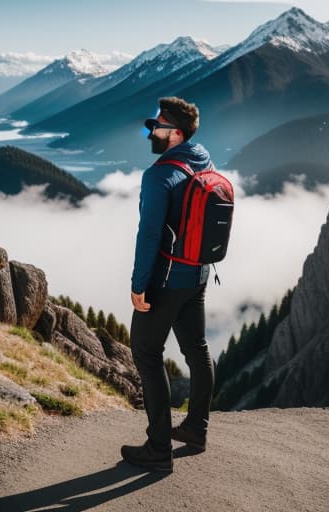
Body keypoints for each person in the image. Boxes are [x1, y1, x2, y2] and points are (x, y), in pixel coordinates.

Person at [121, 97, 215, 473]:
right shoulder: (202, 157)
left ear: (175, 133)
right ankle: (196, 429)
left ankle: (159, 448)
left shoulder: (159, 176)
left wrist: (138, 284)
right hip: (199, 273)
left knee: (146, 352)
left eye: (155, 126)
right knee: (197, 348)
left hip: (166, 278)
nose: (150, 132)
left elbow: (149, 235)